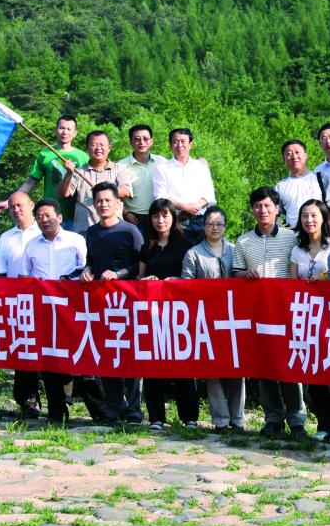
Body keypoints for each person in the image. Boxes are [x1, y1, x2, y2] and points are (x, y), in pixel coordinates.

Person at [232, 186, 306, 440]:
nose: (262, 210)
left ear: (277, 209)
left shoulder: (291, 238)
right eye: (257, 206)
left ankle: (297, 419)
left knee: (289, 365)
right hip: (258, 313)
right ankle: (272, 418)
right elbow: (235, 274)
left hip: (285, 312)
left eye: (267, 206)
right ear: (252, 210)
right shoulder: (243, 241)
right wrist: (245, 274)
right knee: (264, 366)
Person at [80, 182, 144, 424]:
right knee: (107, 354)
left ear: (118, 203)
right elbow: (91, 261)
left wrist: (118, 274)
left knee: (131, 356)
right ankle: (115, 406)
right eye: (99, 201)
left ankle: (134, 409)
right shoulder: (92, 232)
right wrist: (87, 270)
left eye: (108, 200)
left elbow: (140, 265)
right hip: (101, 304)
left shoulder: (130, 231)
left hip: (127, 303)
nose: (103, 204)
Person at [19, 198, 87, 423]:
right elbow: (25, 276)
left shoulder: (75, 240)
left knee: (76, 356)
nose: (44, 220)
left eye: (48, 215)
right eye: (39, 216)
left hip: (72, 308)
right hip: (44, 311)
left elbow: (86, 269)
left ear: (59, 217)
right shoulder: (32, 245)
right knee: (49, 359)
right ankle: (56, 411)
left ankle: (96, 408)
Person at [181, 206, 245, 433]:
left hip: (234, 318)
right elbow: (185, 286)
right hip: (206, 319)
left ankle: (238, 418)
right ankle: (220, 419)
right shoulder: (193, 253)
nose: (215, 228)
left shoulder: (236, 250)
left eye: (219, 224)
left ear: (225, 227)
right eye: (210, 223)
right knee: (213, 368)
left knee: (237, 367)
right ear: (204, 226)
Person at [138, 198, 199, 431]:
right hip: (153, 313)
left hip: (180, 313)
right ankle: (156, 417)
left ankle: (189, 417)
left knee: (183, 365)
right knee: (152, 365)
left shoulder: (186, 244)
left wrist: (176, 282)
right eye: (155, 216)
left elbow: (193, 279)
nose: (160, 220)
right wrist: (147, 281)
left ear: (173, 218)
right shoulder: (147, 246)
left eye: (165, 215)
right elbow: (139, 279)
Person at [289, 199, 330, 443]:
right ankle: (323, 422)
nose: (309, 220)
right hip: (308, 318)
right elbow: (292, 284)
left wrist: (324, 282)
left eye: (314, 215)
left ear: (323, 217)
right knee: (314, 372)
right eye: (305, 216)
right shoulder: (297, 249)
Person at [0, 191, 42, 419]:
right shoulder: (6, 238)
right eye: (12, 207)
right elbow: (1, 273)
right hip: (18, 303)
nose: (16, 210)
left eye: (20, 205)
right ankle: (28, 400)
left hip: (47, 301)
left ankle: (61, 398)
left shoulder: (45, 229)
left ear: (31, 205)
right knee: (25, 351)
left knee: (52, 349)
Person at [0, 115, 87, 225]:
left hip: (77, 216)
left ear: (75, 133)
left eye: (69, 129)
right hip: (51, 215)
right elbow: (30, 183)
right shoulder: (44, 154)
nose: (65, 132)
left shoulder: (83, 157)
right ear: (56, 130)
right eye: (62, 128)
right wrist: (8, 201)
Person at [59, 131, 133, 235]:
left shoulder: (119, 169)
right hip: (85, 230)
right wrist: (69, 173)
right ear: (87, 148)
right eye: (93, 145)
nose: (98, 148)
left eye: (102, 145)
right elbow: (63, 194)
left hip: (114, 230)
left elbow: (126, 191)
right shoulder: (78, 172)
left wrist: (102, 191)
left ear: (109, 148)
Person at [153, 128, 216, 245]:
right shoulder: (161, 168)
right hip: (177, 221)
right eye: (175, 142)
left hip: (202, 221)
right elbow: (160, 196)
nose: (179, 145)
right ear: (170, 145)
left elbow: (209, 195)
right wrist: (184, 207)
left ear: (190, 144)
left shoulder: (201, 167)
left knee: (204, 254)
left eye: (183, 141)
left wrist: (196, 206)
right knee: (178, 254)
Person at [120, 124, 164, 239]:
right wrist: (125, 213)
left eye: (145, 138)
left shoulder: (162, 162)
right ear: (130, 142)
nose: (142, 142)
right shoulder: (121, 166)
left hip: (159, 216)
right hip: (133, 218)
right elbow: (114, 195)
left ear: (151, 141)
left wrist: (200, 163)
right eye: (137, 139)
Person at [275, 140, 322, 229]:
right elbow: (275, 215)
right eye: (289, 154)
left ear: (305, 156)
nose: (294, 156)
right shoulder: (280, 186)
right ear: (284, 159)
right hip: (292, 234)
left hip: (320, 232)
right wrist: (285, 228)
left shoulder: (320, 179)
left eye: (297, 152)